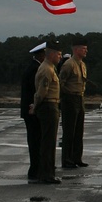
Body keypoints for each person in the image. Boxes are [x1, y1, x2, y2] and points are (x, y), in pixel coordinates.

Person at [31, 39, 63, 184]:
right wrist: (35, 107)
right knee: (48, 143)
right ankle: (46, 174)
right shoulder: (46, 69)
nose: (60, 57)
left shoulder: (48, 67)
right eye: (59, 54)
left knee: (49, 142)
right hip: (48, 107)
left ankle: (48, 173)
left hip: (51, 106)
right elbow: (41, 92)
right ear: (51, 54)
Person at [58, 37, 89, 169]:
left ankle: (77, 158)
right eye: (84, 49)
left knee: (78, 131)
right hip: (70, 99)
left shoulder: (81, 64)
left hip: (79, 98)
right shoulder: (69, 64)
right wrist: (65, 97)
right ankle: (67, 160)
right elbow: (61, 83)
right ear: (76, 50)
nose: (86, 51)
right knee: (69, 131)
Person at [21, 42, 46, 183]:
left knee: (36, 140)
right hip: (32, 110)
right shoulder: (35, 69)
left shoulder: (34, 67)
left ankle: (36, 169)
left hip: (31, 109)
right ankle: (35, 170)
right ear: (41, 55)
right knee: (35, 141)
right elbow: (34, 91)